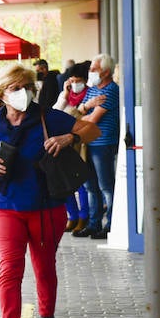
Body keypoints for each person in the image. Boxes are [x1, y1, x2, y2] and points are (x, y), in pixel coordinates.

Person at [0, 65, 101, 318]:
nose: (24, 92)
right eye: (16, 87)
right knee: (9, 269)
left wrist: (69, 138)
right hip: (7, 206)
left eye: (27, 86)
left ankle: (46, 316)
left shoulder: (48, 118)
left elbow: (91, 129)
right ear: (1, 93)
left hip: (46, 207)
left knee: (44, 266)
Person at [75, 54, 121, 240]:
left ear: (106, 72)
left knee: (106, 186)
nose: (90, 72)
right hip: (88, 143)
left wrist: (83, 112)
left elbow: (91, 119)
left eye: (94, 69)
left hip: (103, 143)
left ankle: (109, 224)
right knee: (90, 186)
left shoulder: (110, 91)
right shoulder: (93, 90)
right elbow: (78, 112)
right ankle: (93, 224)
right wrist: (87, 106)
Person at [53, 63, 93, 232]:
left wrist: (82, 108)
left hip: (82, 144)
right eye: (72, 80)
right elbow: (55, 111)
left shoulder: (90, 95)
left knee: (82, 183)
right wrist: (65, 92)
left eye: (78, 81)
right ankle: (73, 215)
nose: (75, 83)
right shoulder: (66, 96)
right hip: (65, 145)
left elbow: (87, 121)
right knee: (65, 181)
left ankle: (84, 216)